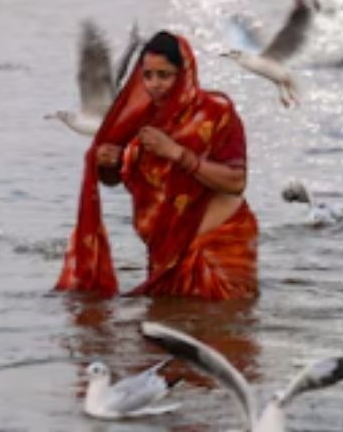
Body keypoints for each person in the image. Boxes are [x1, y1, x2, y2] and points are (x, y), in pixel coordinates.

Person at [55, 31, 259, 301]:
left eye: (164, 75)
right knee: (165, 322)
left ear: (184, 72)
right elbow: (115, 179)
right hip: (165, 249)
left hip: (219, 242)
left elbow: (235, 182)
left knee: (224, 328)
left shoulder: (216, 111)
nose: (154, 84)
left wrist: (175, 152)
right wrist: (110, 162)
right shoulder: (137, 120)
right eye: (147, 75)